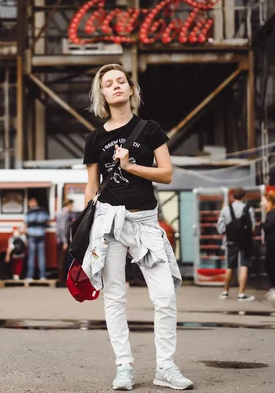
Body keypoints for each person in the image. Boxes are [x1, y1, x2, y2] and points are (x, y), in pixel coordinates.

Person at [82, 64, 192, 391]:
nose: (115, 86)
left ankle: (166, 367)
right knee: (114, 296)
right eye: (108, 84)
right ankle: (124, 366)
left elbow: (168, 173)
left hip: (145, 220)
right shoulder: (95, 138)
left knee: (165, 296)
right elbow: (91, 187)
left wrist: (130, 166)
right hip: (109, 221)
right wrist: (87, 232)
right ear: (101, 93)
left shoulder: (150, 129)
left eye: (121, 81)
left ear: (130, 89)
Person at [217, 187, 256, 301]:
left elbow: (220, 228)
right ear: (244, 197)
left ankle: (225, 292)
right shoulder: (249, 209)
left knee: (229, 266)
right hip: (245, 241)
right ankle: (241, 294)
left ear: (233, 196)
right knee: (244, 265)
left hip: (231, 241)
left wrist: (229, 231)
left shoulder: (226, 209)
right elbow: (252, 227)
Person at [260, 192, 275, 301]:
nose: (261, 203)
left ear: (269, 202)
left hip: (274, 243)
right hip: (274, 242)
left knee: (273, 266)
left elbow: (268, 225)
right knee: (271, 265)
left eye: (263, 200)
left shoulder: (272, 213)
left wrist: (261, 224)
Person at [25, 197, 49, 281]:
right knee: (41, 256)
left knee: (31, 256)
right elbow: (47, 220)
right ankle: (42, 276)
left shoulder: (29, 212)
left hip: (32, 235)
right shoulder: (43, 211)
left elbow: (26, 222)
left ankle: (30, 276)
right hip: (41, 234)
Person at [56, 198, 74, 283]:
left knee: (62, 259)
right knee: (63, 260)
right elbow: (63, 228)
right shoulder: (65, 213)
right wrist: (65, 242)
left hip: (61, 240)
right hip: (64, 240)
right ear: (69, 205)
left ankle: (62, 279)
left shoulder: (61, 212)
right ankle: (62, 280)